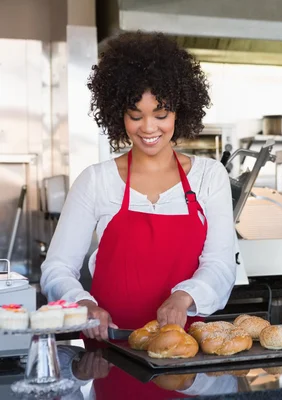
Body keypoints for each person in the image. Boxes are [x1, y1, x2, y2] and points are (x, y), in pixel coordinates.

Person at [40, 31, 237, 340]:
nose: (148, 128)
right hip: (110, 349)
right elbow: (57, 268)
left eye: (161, 114)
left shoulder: (209, 176)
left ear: (180, 111)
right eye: (135, 115)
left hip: (185, 353)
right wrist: (83, 305)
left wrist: (183, 297)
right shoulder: (96, 180)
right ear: (119, 115)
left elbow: (221, 265)